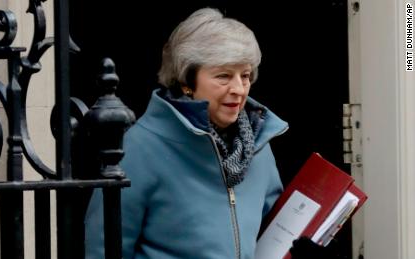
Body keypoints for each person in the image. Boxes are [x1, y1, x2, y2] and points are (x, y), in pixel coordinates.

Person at [85, 7, 340, 259]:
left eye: (246, 76)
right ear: (186, 81)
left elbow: (272, 237)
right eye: (223, 76)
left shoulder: (258, 145)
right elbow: (103, 249)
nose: (239, 89)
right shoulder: (142, 146)